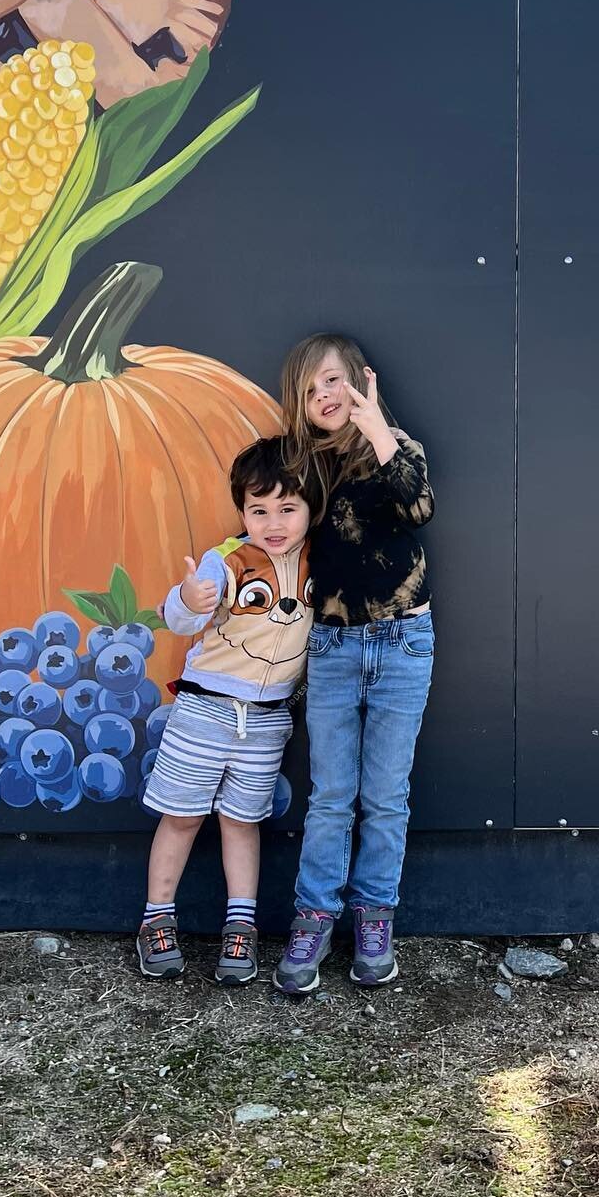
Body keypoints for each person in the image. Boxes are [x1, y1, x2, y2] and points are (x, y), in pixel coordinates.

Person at [271, 334, 435, 995]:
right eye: (311, 390)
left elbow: (419, 507)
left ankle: (375, 918)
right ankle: (313, 918)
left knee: (386, 796)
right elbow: (271, 527)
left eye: (333, 381)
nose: (325, 398)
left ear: (359, 381)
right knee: (333, 797)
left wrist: (378, 432)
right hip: (334, 648)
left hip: (402, 643)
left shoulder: (400, 448)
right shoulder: (300, 467)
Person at [135, 436, 314, 985]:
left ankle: (242, 926)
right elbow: (182, 617)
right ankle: (155, 919)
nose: (273, 522)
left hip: (266, 720)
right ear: (242, 512)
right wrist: (188, 600)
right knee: (183, 816)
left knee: (242, 823)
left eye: (288, 508)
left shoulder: (318, 561)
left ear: (311, 508)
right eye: (258, 510)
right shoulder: (226, 559)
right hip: (205, 711)